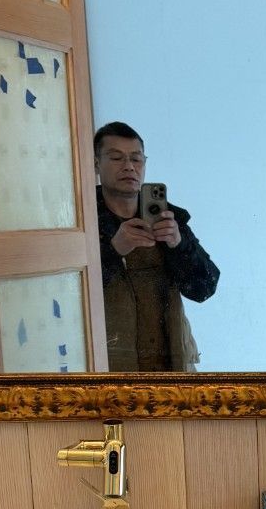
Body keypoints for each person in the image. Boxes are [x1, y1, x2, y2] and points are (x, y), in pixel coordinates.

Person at [94, 122, 220, 372]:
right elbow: (71, 294)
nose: (129, 166)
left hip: (173, 363)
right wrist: (113, 250)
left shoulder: (169, 219)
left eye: (136, 159)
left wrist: (178, 245)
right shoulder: (81, 220)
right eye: (116, 158)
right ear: (96, 164)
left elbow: (204, 288)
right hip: (111, 365)